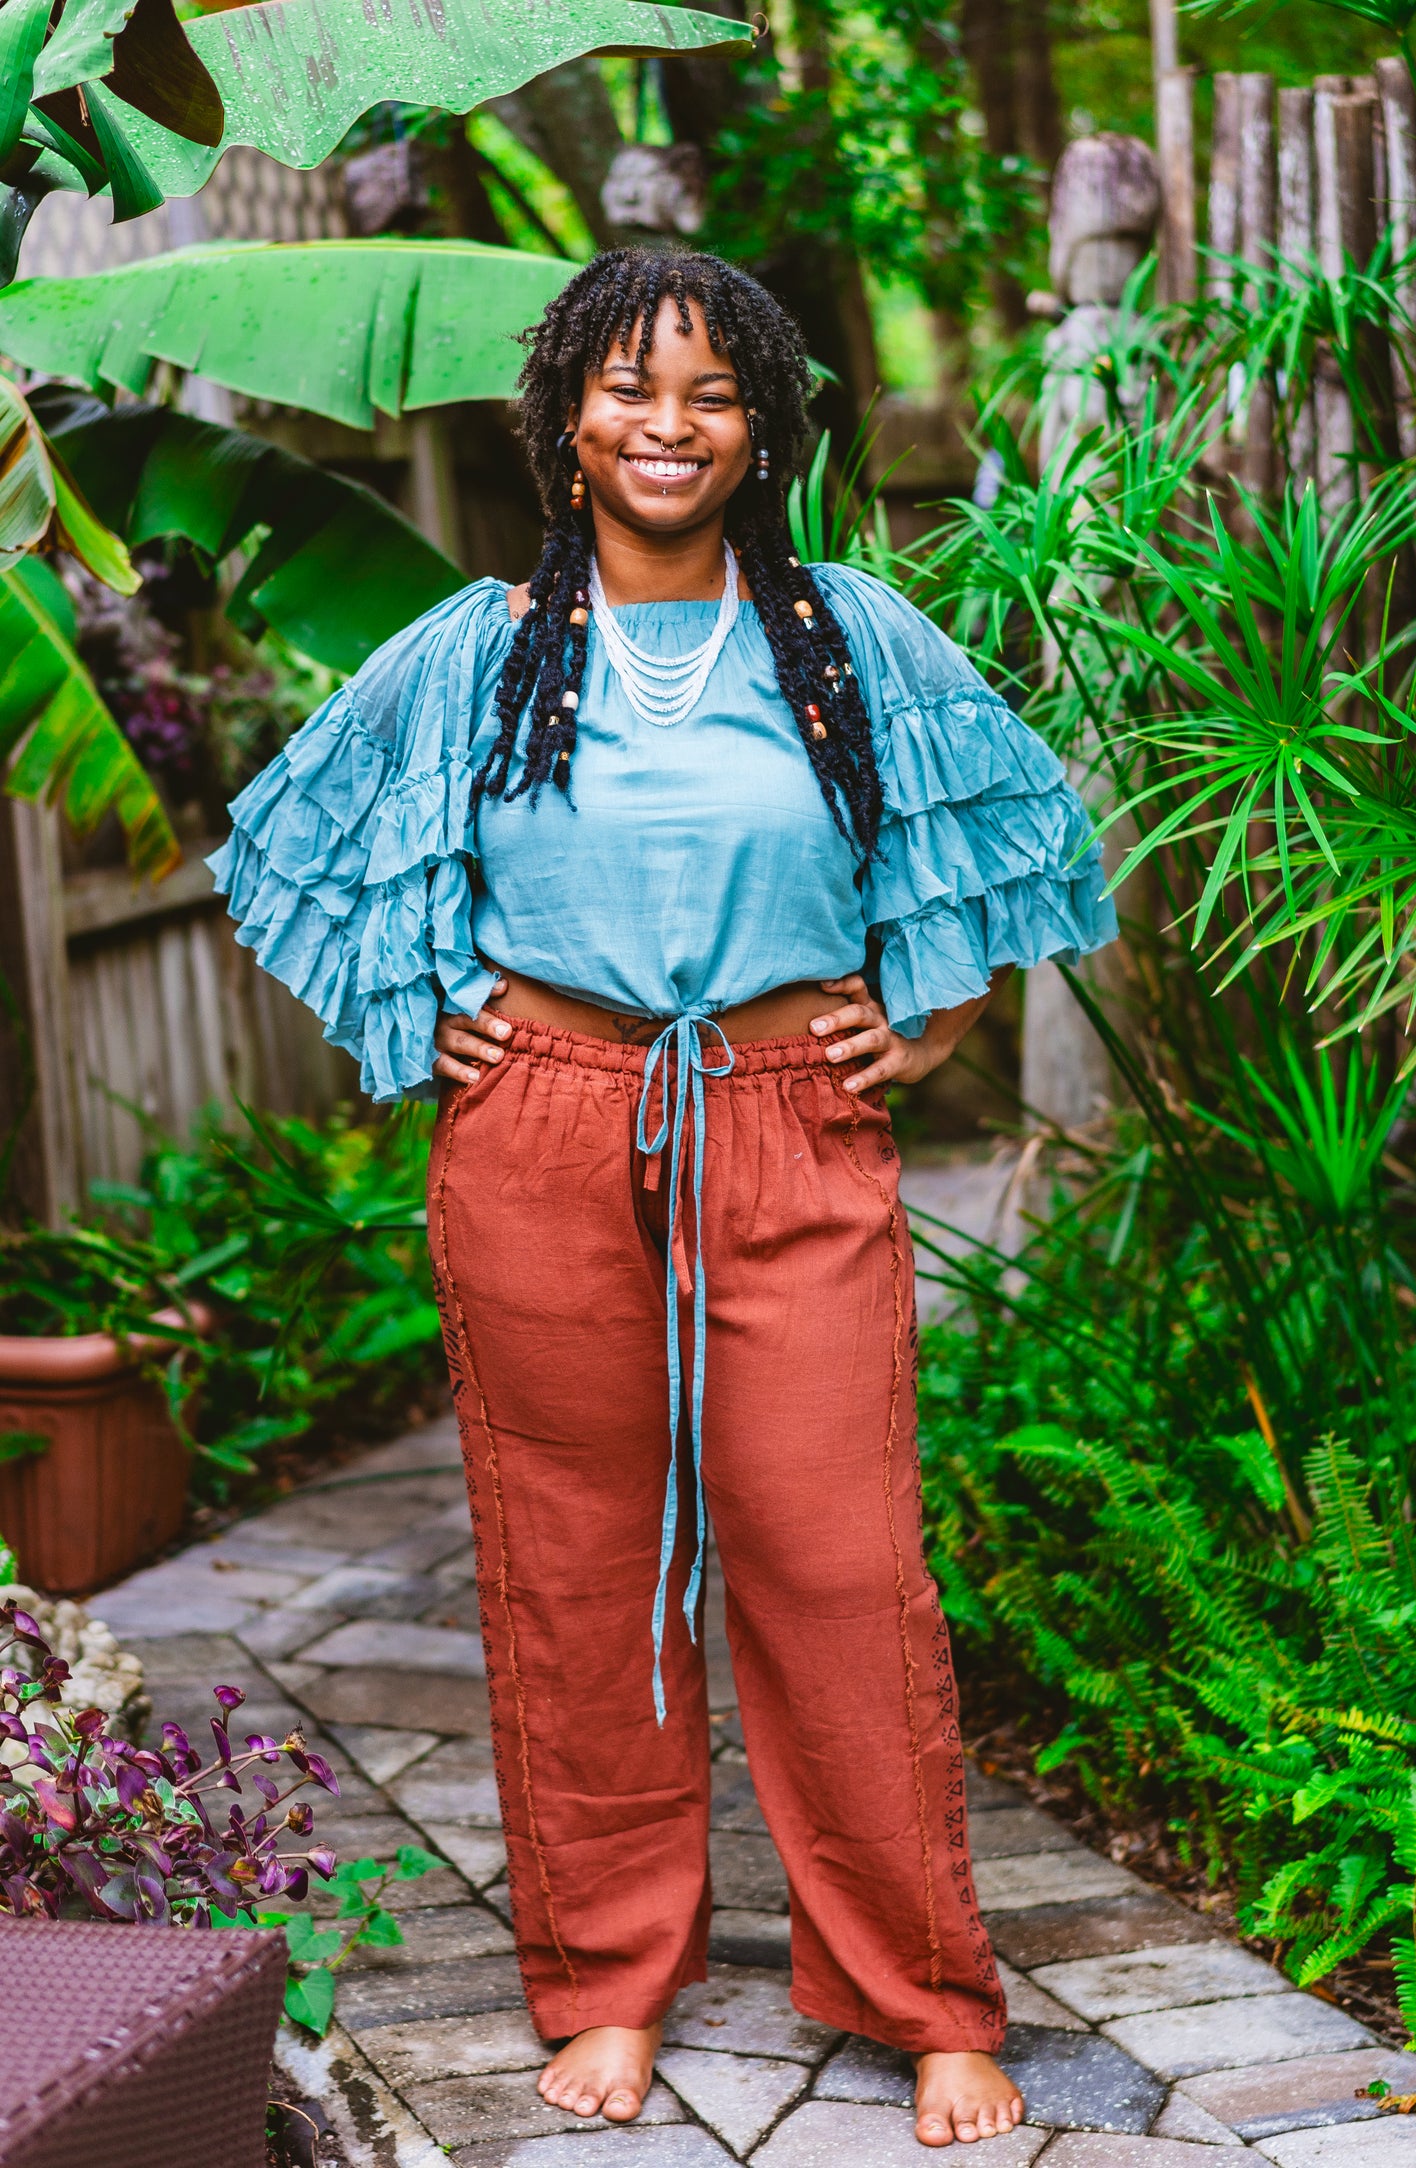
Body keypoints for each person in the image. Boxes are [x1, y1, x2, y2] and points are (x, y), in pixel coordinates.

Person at [210, 248, 1115, 2148]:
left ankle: (923, 1991)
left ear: (761, 425)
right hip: (547, 1125)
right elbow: (300, 830)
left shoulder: (846, 636)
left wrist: (933, 1020)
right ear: (563, 417)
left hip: (788, 1120)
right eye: (628, 389)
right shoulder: (475, 644)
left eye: (708, 394)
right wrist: (436, 998)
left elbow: (1009, 816)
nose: (667, 426)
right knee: (576, 1576)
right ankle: (611, 1981)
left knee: (843, 1569)